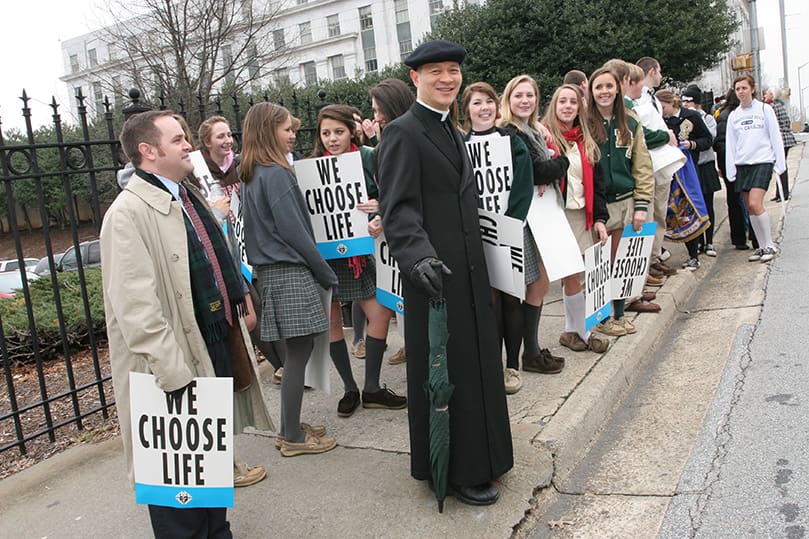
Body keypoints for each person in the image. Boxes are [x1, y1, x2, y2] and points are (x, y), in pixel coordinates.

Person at [101, 110, 272, 537]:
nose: (188, 146)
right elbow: (136, 311)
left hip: (205, 344)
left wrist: (237, 303)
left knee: (207, 479)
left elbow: (214, 264)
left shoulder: (184, 195)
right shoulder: (127, 215)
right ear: (148, 151)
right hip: (168, 370)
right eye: (178, 140)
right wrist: (174, 375)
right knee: (177, 490)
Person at [378, 39, 513, 506]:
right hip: (433, 277)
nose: (446, 78)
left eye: (453, 70)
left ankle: (488, 456)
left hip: (469, 273)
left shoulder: (450, 127)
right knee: (447, 370)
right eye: (435, 71)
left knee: (477, 365)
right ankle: (455, 468)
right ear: (415, 78)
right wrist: (417, 258)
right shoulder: (402, 132)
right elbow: (397, 211)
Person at [239, 102, 338, 457]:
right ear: (269, 132)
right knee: (297, 355)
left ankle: (290, 426)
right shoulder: (275, 173)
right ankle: (292, 435)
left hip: (272, 273)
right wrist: (325, 272)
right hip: (289, 272)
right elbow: (296, 233)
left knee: (298, 352)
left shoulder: (252, 173)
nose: (293, 134)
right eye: (286, 129)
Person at [309, 104, 407, 418]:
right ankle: (350, 389)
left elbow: (389, 193)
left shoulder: (367, 157)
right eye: (326, 133)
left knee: (379, 313)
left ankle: (373, 387)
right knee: (333, 322)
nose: (332, 139)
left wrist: (379, 211)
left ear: (350, 131)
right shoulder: (311, 167)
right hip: (328, 255)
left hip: (363, 251)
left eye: (338, 132)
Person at [460, 80, 538, 394]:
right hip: (478, 235)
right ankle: (492, 365)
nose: (484, 108)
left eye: (489, 101)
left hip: (510, 230)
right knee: (489, 302)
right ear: (467, 110)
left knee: (512, 299)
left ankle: (512, 365)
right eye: (477, 103)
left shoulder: (511, 140)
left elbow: (524, 181)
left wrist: (511, 221)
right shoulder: (460, 145)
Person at [198, 114, 287, 384]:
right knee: (250, 310)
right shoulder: (199, 173)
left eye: (229, 135)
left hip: (252, 241)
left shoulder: (240, 165)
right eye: (220, 136)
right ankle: (282, 364)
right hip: (226, 248)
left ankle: (288, 366)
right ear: (207, 142)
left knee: (268, 306)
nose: (227, 141)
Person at [499, 74, 570, 374]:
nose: (525, 100)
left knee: (540, 282)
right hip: (522, 217)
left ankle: (532, 349)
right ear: (508, 100)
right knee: (531, 284)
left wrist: (550, 169)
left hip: (540, 214)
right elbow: (539, 170)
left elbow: (542, 169)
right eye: (518, 95)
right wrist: (563, 162)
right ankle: (527, 353)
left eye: (530, 95)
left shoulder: (532, 130)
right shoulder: (508, 131)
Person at [542, 84, 611, 353]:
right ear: (554, 106)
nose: (568, 106)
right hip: (558, 215)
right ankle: (586, 332)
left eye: (573, 101)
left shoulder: (587, 140)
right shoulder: (545, 138)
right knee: (573, 274)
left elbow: (599, 184)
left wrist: (601, 219)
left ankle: (571, 331)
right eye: (562, 101)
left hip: (584, 214)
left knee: (580, 275)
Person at [586, 67, 654, 337]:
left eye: (608, 86)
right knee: (600, 265)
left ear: (617, 89)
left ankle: (620, 314)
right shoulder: (585, 123)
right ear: (591, 92)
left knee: (622, 263)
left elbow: (642, 165)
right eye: (598, 87)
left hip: (626, 200)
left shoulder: (631, 122)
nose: (604, 91)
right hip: (597, 205)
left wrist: (641, 204)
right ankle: (600, 318)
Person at [725, 74, 785, 263]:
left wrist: (779, 163)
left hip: (762, 161)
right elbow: (731, 143)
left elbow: (775, 136)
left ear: (752, 89)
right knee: (749, 208)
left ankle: (769, 244)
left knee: (755, 203)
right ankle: (760, 245)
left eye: (744, 88)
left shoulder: (764, 110)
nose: (741, 92)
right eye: (738, 89)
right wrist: (731, 169)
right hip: (743, 164)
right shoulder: (734, 116)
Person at [656, 89, 714, 271]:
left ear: (671, 103)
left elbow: (707, 139)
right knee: (666, 212)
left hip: (687, 171)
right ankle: (660, 251)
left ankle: (694, 255)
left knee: (688, 210)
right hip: (666, 172)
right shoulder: (659, 120)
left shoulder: (692, 117)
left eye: (663, 107)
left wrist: (692, 145)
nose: (662, 111)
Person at [681, 85, 722, 257]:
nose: (685, 104)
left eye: (689, 101)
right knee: (692, 207)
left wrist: (697, 119)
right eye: (683, 101)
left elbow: (710, 137)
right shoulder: (682, 118)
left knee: (707, 205)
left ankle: (709, 241)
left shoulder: (707, 118)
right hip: (689, 167)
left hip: (705, 165)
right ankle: (697, 242)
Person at [713, 88, 751, 250]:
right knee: (744, 201)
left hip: (730, 164)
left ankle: (740, 238)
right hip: (739, 164)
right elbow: (721, 144)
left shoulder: (724, 115)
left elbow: (719, 144)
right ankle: (749, 235)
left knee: (735, 201)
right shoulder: (731, 116)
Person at [764, 88, 797, 202]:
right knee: (781, 166)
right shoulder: (780, 106)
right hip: (787, 139)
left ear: (772, 95)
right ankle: (780, 193)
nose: (764, 95)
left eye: (767, 93)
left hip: (781, 139)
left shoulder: (772, 107)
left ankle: (783, 193)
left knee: (780, 166)